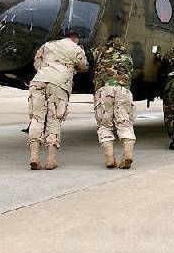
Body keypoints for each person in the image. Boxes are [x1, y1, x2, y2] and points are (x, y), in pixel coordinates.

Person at [28, 30, 88, 170]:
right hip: (59, 84)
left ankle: (34, 156)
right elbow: (84, 66)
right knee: (54, 120)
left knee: (36, 119)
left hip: (39, 81)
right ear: (75, 39)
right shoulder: (76, 48)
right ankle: (50, 160)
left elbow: (37, 63)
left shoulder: (48, 45)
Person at [90, 34, 136, 169]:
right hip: (124, 90)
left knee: (104, 125)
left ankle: (109, 158)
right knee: (125, 122)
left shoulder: (101, 51)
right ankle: (128, 153)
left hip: (104, 89)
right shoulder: (128, 56)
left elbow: (89, 54)